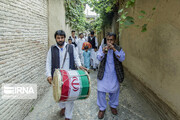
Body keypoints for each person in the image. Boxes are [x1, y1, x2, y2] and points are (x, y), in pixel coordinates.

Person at [46, 30, 87, 120]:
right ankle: (63, 107)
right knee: (60, 95)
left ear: (64, 38)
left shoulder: (71, 47)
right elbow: (48, 63)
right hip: (57, 77)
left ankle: (68, 116)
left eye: (62, 37)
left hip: (70, 77)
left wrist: (80, 66)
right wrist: (48, 75)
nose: (60, 39)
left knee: (70, 96)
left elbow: (76, 58)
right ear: (56, 39)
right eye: (58, 38)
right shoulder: (52, 49)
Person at [96, 32, 125, 119]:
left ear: (114, 40)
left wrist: (114, 50)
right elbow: (98, 58)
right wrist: (103, 52)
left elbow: (122, 58)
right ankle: (102, 108)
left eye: (111, 40)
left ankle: (113, 105)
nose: (109, 42)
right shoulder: (102, 47)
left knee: (114, 91)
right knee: (101, 91)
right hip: (104, 73)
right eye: (108, 40)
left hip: (114, 74)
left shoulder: (118, 48)